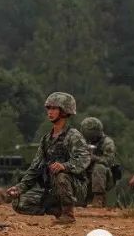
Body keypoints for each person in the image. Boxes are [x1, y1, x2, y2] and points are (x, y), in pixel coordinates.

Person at [5, 92, 90, 224]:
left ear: (64, 111)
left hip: (75, 188)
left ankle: (68, 214)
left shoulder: (73, 135)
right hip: (52, 188)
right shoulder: (46, 139)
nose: (50, 112)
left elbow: (84, 159)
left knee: (61, 175)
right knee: (19, 202)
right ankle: (57, 210)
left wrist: (65, 166)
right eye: (48, 108)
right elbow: (35, 168)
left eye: (54, 108)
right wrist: (20, 187)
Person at [80, 117, 120, 208]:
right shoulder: (84, 141)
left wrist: (94, 158)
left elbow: (109, 161)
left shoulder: (107, 142)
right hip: (87, 176)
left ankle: (98, 199)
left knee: (99, 167)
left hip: (104, 177)